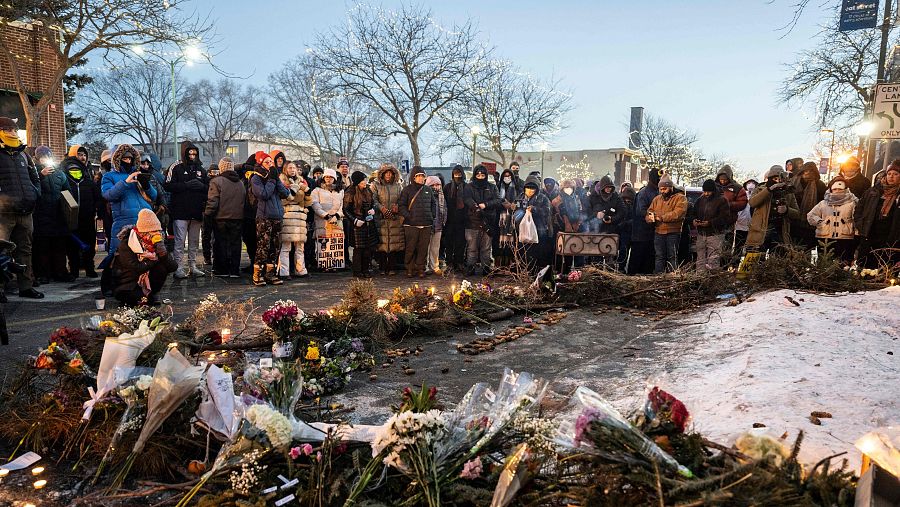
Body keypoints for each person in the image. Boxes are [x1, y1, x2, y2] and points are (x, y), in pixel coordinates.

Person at [0, 117, 43, 298]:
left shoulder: (24, 154)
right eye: (8, 129)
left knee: (25, 250)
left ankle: (26, 287)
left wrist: (35, 193)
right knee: (1, 251)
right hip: (3, 213)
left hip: (26, 211)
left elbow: (35, 178)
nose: (13, 133)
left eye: (15, 130)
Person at [112, 208, 176, 306]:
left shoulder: (157, 244)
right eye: (150, 232)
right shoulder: (128, 243)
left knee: (162, 268)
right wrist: (154, 260)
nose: (153, 235)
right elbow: (136, 268)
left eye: (156, 231)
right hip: (127, 283)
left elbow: (173, 267)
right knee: (138, 300)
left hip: (145, 280)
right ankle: (143, 296)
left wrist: (163, 253)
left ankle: (152, 293)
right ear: (141, 232)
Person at [102, 144, 156, 254]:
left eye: (130, 159)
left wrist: (146, 185)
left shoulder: (137, 173)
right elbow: (108, 195)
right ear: (118, 159)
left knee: (145, 254)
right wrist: (125, 183)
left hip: (144, 219)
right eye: (125, 159)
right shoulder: (109, 176)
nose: (128, 161)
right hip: (123, 219)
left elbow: (154, 196)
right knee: (120, 254)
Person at [165, 141, 208, 279]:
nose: (192, 156)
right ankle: (178, 267)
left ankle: (192, 266)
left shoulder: (201, 169)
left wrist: (202, 186)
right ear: (184, 153)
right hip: (180, 212)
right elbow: (167, 185)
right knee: (180, 241)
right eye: (190, 153)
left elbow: (208, 188)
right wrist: (185, 185)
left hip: (196, 211)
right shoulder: (176, 167)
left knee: (194, 241)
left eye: (194, 153)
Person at [32, 146, 73, 283]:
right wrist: (41, 176)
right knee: (42, 247)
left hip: (58, 215)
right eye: (43, 157)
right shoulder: (33, 171)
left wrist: (68, 209)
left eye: (47, 156)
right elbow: (31, 188)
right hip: (40, 215)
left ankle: (60, 272)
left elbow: (67, 192)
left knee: (59, 246)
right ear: (38, 159)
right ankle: (43, 274)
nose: (46, 159)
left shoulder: (60, 174)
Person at [249, 151, 289, 285]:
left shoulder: (273, 176)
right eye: (267, 162)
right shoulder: (256, 177)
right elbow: (263, 194)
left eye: (271, 161)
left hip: (277, 216)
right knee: (263, 246)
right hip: (264, 216)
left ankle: (270, 273)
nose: (270, 164)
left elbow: (285, 193)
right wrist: (272, 180)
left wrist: (276, 179)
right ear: (261, 164)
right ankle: (257, 274)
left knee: (275, 246)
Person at [204, 157, 246, 278]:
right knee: (235, 244)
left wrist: (208, 214)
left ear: (221, 167)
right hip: (238, 218)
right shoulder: (240, 183)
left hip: (221, 218)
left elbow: (213, 201)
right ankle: (234, 270)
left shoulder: (216, 181)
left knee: (221, 244)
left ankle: (221, 269)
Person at [62, 145, 99, 279]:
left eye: (84, 155)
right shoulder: (65, 178)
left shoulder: (88, 179)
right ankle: (74, 269)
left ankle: (89, 267)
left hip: (87, 216)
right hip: (70, 218)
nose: (82, 157)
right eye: (79, 154)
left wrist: (96, 210)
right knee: (72, 245)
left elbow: (97, 197)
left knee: (89, 242)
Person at [854, 162, 900, 269]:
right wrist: (861, 225)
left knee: (884, 270)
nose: (891, 177)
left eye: (895, 174)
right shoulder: (873, 191)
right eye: (889, 174)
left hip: (890, 239)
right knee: (864, 268)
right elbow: (859, 209)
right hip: (869, 235)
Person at [746, 165, 801, 253]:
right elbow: (752, 203)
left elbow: (797, 213)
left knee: (778, 257)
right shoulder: (760, 189)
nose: (778, 181)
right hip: (761, 231)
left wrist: (786, 210)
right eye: (775, 179)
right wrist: (769, 190)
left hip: (780, 231)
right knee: (756, 257)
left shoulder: (788, 192)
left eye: (780, 178)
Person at [806, 176, 858, 265]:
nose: (837, 191)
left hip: (845, 238)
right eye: (835, 189)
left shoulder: (852, 203)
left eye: (840, 189)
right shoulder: (823, 203)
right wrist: (820, 223)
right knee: (824, 264)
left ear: (845, 189)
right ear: (831, 189)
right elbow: (811, 215)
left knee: (844, 264)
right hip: (825, 238)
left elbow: (857, 218)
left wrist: (851, 225)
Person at [463, 165, 501, 275]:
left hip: (488, 222)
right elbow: (467, 198)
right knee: (472, 248)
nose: (480, 177)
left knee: (486, 248)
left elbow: (498, 200)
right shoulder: (469, 187)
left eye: (482, 175)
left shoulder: (492, 187)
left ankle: (486, 268)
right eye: (478, 175)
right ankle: (470, 267)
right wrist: (475, 207)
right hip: (472, 222)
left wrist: (486, 205)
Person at [398, 167, 436, 278]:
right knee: (411, 248)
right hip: (411, 225)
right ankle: (409, 268)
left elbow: (433, 204)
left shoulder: (428, 190)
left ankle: (420, 268)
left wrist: (432, 216)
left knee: (423, 248)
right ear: (413, 178)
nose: (421, 178)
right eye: (418, 176)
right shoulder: (407, 190)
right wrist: (409, 216)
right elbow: (401, 205)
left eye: (422, 176)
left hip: (426, 224)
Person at [646, 174, 687, 273]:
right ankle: (658, 276)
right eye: (661, 189)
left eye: (665, 189)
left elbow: (678, 213)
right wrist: (649, 218)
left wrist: (662, 217)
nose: (662, 191)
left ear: (670, 187)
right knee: (659, 256)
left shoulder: (680, 198)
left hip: (673, 232)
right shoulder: (657, 199)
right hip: (658, 231)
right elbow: (649, 211)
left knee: (672, 256)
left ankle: (672, 276)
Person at [278, 161, 311, 279]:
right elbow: (282, 200)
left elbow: (308, 202)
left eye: (294, 168)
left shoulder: (302, 182)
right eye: (290, 168)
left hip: (300, 217)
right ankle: (284, 272)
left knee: (300, 246)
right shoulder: (281, 182)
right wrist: (295, 192)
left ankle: (300, 270)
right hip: (288, 215)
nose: (292, 170)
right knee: (286, 246)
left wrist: (307, 193)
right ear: (285, 169)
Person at [343, 171, 379, 278]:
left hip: (368, 222)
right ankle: (357, 271)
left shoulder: (368, 190)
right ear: (357, 182)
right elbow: (346, 209)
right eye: (363, 181)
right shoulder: (350, 191)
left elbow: (373, 203)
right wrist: (354, 220)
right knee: (358, 249)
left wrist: (373, 210)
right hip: (357, 224)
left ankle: (366, 269)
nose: (365, 182)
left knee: (368, 248)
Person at [372, 163, 405, 275]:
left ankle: (391, 267)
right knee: (382, 243)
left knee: (393, 244)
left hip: (394, 218)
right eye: (386, 173)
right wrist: (382, 209)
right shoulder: (376, 185)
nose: (388, 175)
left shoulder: (398, 186)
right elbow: (373, 200)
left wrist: (397, 206)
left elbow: (402, 199)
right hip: (380, 218)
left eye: (390, 173)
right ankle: (382, 267)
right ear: (382, 174)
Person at [693, 179, 732, 272]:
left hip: (715, 234)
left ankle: (712, 279)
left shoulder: (722, 200)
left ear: (713, 191)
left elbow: (725, 218)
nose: (706, 194)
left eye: (708, 192)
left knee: (713, 260)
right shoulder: (700, 200)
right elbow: (693, 213)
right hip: (701, 234)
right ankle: (699, 277)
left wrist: (710, 223)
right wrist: (694, 220)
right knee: (700, 260)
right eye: (705, 191)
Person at [311, 169, 345, 272]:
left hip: (336, 220)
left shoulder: (340, 191)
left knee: (334, 242)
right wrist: (325, 215)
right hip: (322, 221)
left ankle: (334, 264)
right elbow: (315, 204)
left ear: (335, 179)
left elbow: (343, 205)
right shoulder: (317, 190)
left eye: (331, 177)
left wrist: (338, 214)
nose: (328, 179)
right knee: (323, 243)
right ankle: (324, 265)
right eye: (326, 177)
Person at [629, 168, 661, 274]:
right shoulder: (644, 193)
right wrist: (654, 216)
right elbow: (641, 211)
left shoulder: (657, 192)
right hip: (641, 232)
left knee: (649, 261)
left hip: (652, 232)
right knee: (637, 259)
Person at [517, 177, 552, 271]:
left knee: (537, 253)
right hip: (523, 230)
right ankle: (524, 272)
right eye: (528, 187)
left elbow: (547, 211)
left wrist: (535, 209)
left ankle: (535, 272)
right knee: (523, 253)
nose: (530, 190)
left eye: (533, 188)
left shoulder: (543, 198)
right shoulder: (520, 197)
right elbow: (516, 211)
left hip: (538, 230)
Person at [792, 161, 827, 250]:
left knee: (809, 247)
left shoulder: (820, 185)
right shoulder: (794, 182)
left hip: (811, 224)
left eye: (810, 171)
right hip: (794, 221)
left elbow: (823, 203)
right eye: (805, 170)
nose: (807, 173)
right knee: (794, 246)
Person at [714, 164, 748, 251]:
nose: (723, 181)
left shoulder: (737, 188)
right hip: (714, 220)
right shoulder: (713, 186)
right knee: (714, 245)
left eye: (725, 180)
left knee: (727, 244)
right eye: (721, 180)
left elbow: (743, 202)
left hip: (729, 220)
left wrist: (728, 205)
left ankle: (726, 257)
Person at [442, 165, 467, 273]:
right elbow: (443, 203)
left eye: (459, 174)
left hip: (462, 220)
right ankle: (449, 262)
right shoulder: (447, 187)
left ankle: (459, 262)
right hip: (449, 220)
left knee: (461, 243)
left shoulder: (466, 187)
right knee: (449, 242)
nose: (457, 176)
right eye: (455, 174)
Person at [237, 154, 259, 272]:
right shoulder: (243, 176)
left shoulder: (258, 177)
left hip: (255, 213)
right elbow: (234, 168)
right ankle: (253, 262)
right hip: (245, 213)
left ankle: (256, 263)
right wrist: (244, 166)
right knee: (248, 239)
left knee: (255, 240)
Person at [425, 176, 447, 275]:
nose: (435, 187)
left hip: (438, 226)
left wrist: (443, 221)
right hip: (428, 225)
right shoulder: (425, 196)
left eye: (437, 185)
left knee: (435, 248)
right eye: (432, 185)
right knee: (426, 247)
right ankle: (425, 266)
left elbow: (445, 209)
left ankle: (435, 266)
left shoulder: (441, 197)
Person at [733, 179, 757, 255]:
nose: (751, 184)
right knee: (738, 247)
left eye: (753, 183)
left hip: (753, 227)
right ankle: (736, 262)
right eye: (749, 183)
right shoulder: (741, 195)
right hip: (740, 225)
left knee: (751, 249)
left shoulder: (757, 196)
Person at [617, 185, 636, 272]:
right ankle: (620, 267)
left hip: (630, 230)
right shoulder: (621, 204)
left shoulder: (634, 205)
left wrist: (627, 223)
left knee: (625, 250)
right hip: (623, 230)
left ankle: (623, 267)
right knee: (623, 250)